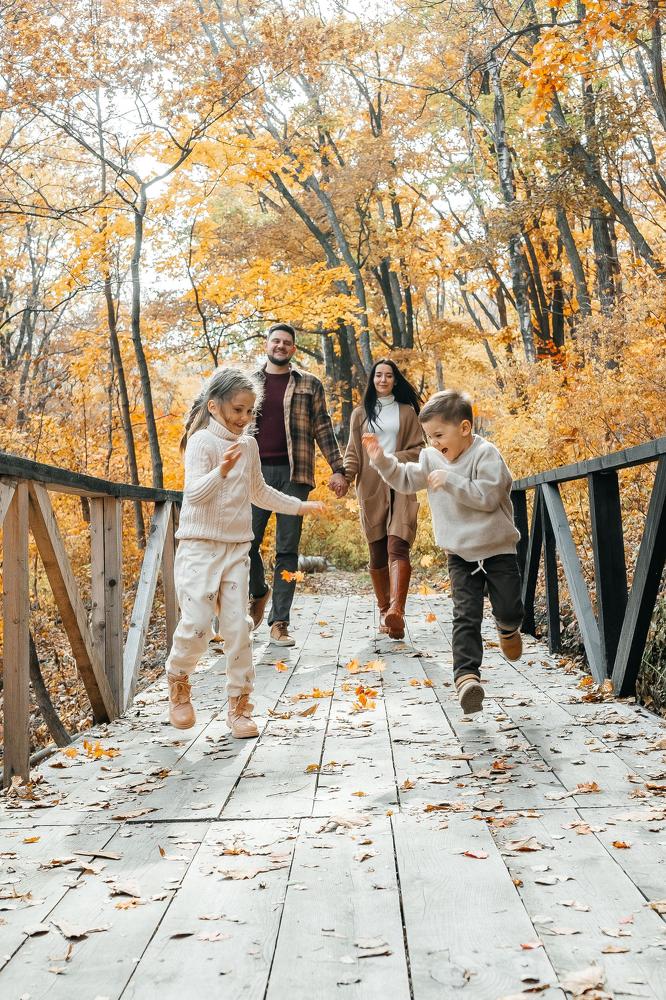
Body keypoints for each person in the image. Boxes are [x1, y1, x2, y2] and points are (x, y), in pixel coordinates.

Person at [165, 368, 324, 737]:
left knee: (238, 629)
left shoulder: (248, 445)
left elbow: (260, 492)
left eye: (250, 412)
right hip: (199, 549)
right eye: (238, 410)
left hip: (237, 550)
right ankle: (178, 676)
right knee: (198, 626)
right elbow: (194, 495)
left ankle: (239, 706)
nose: (244, 419)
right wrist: (220, 471)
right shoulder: (203, 442)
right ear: (214, 406)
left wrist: (300, 506)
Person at [363, 388, 523, 715]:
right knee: (466, 615)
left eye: (438, 435)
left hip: (497, 549)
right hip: (459, 554)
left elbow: (487, 498)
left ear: (464, 429)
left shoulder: (486, 455)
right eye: (428, 436)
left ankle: (508, 627)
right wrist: (382, 462)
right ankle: (466, 678)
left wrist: (449, 480)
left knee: (508, 607)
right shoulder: (431, 457)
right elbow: (406, 479)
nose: (434, 443)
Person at [249, 323, 348, 647]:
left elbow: (324, 428)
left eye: (286, 343)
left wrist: (339, 469)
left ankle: (280, 622)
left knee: (287, 550)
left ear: (293, 349)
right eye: (275, 341)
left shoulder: (309, 384)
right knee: (245, 543)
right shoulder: (249, 383)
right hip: (254, 475)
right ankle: (259, 593)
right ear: (267, 344)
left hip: (295, 476)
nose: (280, 346)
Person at [343, 359, 423, 638]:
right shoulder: (359, 414)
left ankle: (397, 611)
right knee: (377, 550)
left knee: (398, 545)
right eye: (378, 375)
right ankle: (383, 610)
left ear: (395, 380)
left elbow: (418, 450)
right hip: (370, 486)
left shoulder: (407, 412)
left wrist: (389, 459)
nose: (383, 379)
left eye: (389, 375)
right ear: (372, 380)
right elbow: (353, 452)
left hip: (401, 481)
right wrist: (344, 476)